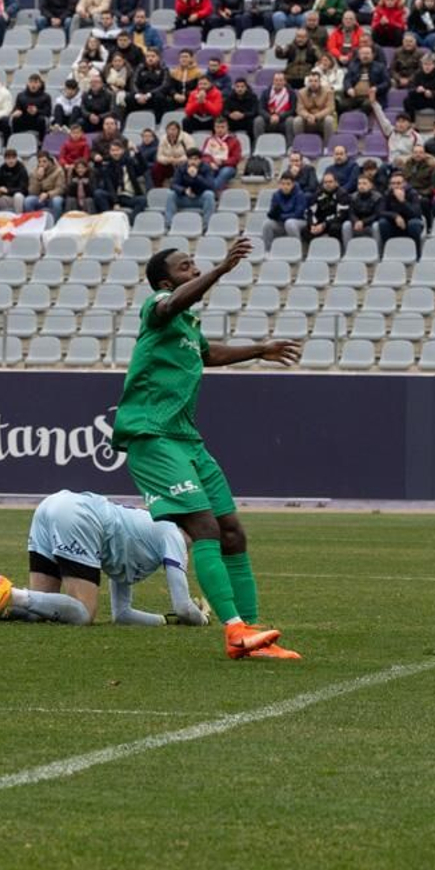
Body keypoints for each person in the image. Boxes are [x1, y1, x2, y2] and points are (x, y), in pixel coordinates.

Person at [112, 242, 304, 660]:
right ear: (166, 282)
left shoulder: (187, 326)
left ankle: (254, 633)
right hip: (151, 434)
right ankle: (235, 633)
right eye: (186, 267)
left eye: (195, 265)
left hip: (186, 438)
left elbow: (207, 353)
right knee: (204, 527)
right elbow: (175, 302)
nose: (193, 269)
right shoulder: (158, 307)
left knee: (232, 531)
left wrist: (259, 350)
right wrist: (218, 270)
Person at [0, 490, 209, 627]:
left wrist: (167, 621)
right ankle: (11, 593)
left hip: (52, 506)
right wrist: (202, 619)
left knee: (39, 610)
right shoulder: (172, 534)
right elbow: (184, 607)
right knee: (84, 613)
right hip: (78, 514)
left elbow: (122, 615)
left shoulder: (145, 531)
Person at [92, 139, 147, 218]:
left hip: (129, 195)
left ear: (123, 150)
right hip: (114, 195)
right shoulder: (107, 165)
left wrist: (137, 152)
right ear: (110, 152)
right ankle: (108, 217)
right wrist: (115, 202)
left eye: (117, 150)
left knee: (143, 200)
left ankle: (129, 221)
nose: (115, 153)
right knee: (98, 193)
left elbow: (143, 168)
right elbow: (109, 185)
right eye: (113, 150)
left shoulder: (129, 162)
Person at [166, 150, 215, 226]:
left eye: (195, 159)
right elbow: (173, 185)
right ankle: (169, 224)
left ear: (200, 160)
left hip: (199, 198)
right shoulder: (181, 168)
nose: (193, 161)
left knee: (209, 195)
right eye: (190, 159)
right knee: (171, 195)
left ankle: (207, 225)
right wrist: (184, 190)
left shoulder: (206, 168)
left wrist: (196, 177)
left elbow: (211, 186)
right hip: (184, 198)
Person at [378, 172, 423, 251]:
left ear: (405, 183)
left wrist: (403, 201)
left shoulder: (412, 193)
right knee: (382, 222)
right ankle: (387, 250)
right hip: (395, 223)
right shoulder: (387, 193)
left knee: (414, 223)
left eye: (398, 183)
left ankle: (416, 252)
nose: (395, 186)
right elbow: (380, 211)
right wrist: (395, 216)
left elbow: (416, 214)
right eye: (393, 183)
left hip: (410, 222)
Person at [262, 173, 308, 248]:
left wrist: (280, 216)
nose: (285, 186)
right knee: (267, 224)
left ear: (293, 184)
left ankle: (297, 248)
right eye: (283, 184)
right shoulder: (276, 195)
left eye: (288, 184)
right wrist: (273, 213)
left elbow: (298, 214)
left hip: (299, 222)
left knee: (289, 223)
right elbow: (272, 213)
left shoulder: (300, 194)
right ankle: (268, 250)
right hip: (282, 222)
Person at [305, 171, 348, 250]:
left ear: (336, 182)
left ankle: (335, 250)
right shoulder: (318, 194)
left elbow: (341, 215)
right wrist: (312, 225)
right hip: (320, 222)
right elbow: (310, 212)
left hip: (334, 222)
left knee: (334, 228)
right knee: (306, 230)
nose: (328, 184)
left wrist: (324, 225)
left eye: (330, 182)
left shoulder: (342, 194)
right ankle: (317, 250)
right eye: (325, 182)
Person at [294, 71, 336, 143]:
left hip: (322, 119)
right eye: (311, 81)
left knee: (329, 120)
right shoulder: (301, 92)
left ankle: (327, 146)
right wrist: (308, 116)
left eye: (315, 81)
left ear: (320, 82)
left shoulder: (328, 92)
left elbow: (330, 108)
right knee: (297, 121)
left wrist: (316, 117)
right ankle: (299, 144)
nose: (313, 83)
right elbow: (300, 109)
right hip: (307, 120)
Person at [200, 117, 241, 189]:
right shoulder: (209, 140)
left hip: (228, 166)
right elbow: (204, 155)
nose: (220, 130)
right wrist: (211, 162)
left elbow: (236, 158)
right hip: (212, 164)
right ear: (214, 128)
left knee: (224, 172)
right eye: (217, 127)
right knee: (206, 169)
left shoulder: (234, 141)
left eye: (222, 127)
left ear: (227, 128)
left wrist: (222, 162)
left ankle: (212, 189)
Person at [26, 150, 67, 216]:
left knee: (57, 201)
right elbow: (32, 192)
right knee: (28, 201)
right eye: (39, 162)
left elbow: (60, 189)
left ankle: (55, 222)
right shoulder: (35, 172)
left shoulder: (58, 171)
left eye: (44, 161)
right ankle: (33, 222)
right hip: (40, 198)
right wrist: (38, 179)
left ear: (49, 161)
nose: (42, 164)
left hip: (53, 197)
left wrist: (48, 194)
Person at [257, 71, 296, 140]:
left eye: (281, 80)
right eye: (276, 80)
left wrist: (280, 117)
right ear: (273, 81)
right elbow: (261, 108)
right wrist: (269, 117)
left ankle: (290, 146)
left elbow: (292, 110)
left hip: (283, 119)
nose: (278, 82)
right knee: (258, 120)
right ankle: (258, 143)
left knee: (291, 121)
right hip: (269, 119)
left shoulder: (291, 93)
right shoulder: (266, 92)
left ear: (285, 82)